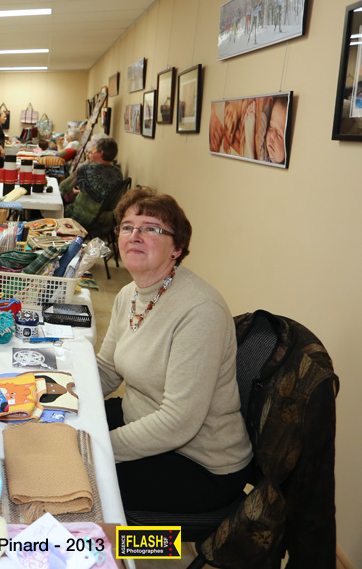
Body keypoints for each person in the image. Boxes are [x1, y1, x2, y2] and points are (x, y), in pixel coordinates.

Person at [97, 187, 252, 513]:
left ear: (177, 248)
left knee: (82, 485)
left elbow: (178, 423)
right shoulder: (130, 293)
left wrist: (99, 448)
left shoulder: (200, 311)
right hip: (142, 422)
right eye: (127, 227)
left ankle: (131, 552)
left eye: (151, 228)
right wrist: (59, 394)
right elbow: (108, 370)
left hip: (200, 462)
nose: (135, 235)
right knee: (57, 430)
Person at [59, 137, 122, 225]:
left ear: (101, 153)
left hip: (82, 217)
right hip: (106, 221)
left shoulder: (86, 169)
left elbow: (63, 186)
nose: (92, 153)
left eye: (94, 150)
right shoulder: (118, 172)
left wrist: (69, 192)